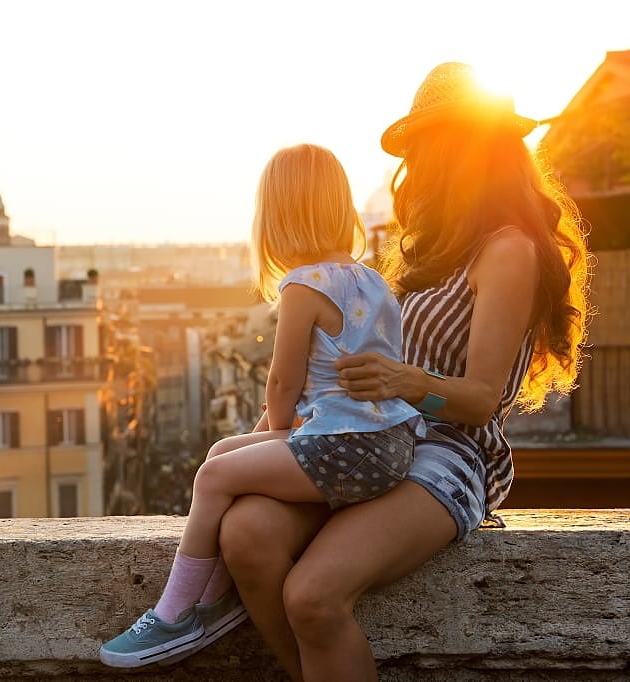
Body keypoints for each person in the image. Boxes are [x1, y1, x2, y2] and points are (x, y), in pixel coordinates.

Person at [217, 62, 591, 681]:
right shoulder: (424, 253)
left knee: (312, 595)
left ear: (459, 153)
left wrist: (406, 382)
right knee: (246, 538)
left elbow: (479, 400)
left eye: (423, 150)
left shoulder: (510, 250)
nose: (412, 170)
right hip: (370, 440)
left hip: (448, 453)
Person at [99, 143, 426, 669]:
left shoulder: (303, 284)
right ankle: (212, 598)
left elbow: (282, 382)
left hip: (345, 448)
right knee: (224, 450)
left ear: (277, 215)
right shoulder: (374, 281)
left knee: (212, 478)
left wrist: (276, 435)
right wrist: (261, 443)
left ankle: (177, 612)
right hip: (388, 445)